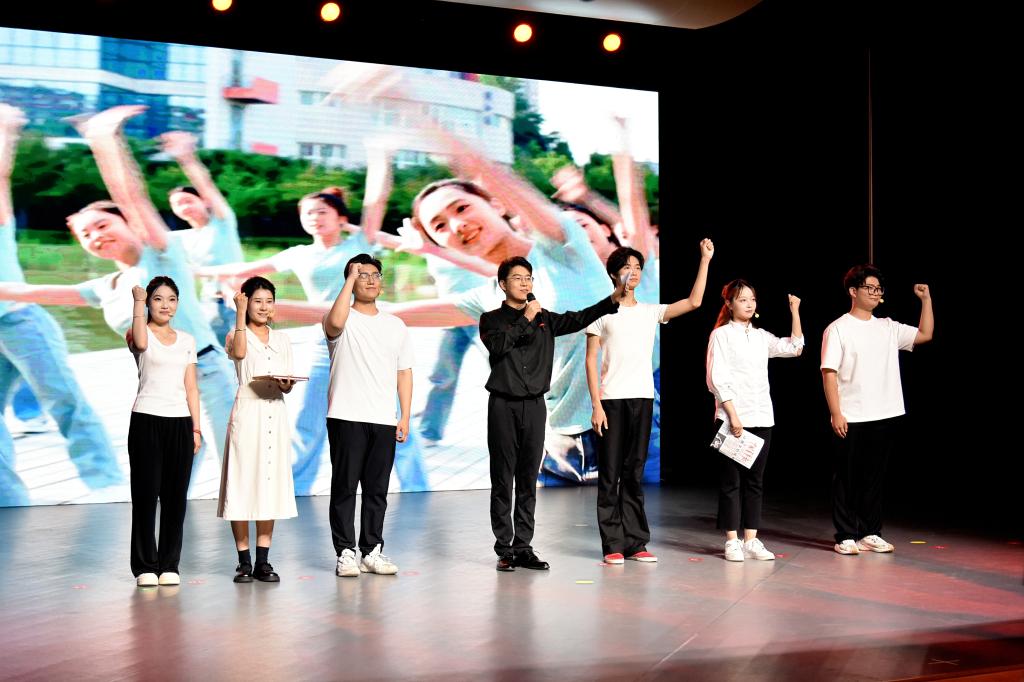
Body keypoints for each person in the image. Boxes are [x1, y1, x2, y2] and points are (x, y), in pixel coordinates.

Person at [0, 106, 237, 481]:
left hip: (205, 375)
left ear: (130, 225)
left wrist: (104, 141)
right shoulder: (104, 287)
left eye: (102, 225)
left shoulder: (161, 257)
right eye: (86, 235)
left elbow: (130, 197)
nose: (95, 236)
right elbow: (24, 291)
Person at [0, 103, 121, 506]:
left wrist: (7, 130)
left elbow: (1, 176)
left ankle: (107, 485)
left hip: (20, 322)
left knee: (64, 401)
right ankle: (8, 499)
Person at [481, 255, 627, 572]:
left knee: (527, 479)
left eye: (528, 278)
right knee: (503, 478)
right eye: (518, 278)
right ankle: (504, 549)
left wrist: (612, 300)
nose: (525, 283)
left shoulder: (545, 319)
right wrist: (527, 317)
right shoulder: (491, 319)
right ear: (503, 284)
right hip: (503, 405)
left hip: (535, 406)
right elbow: (499, 347)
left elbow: (579, 318)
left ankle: (523, 547)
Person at [586, 240, 713, 565]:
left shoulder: (648, 311)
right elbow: (590, 360)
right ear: (613, 274)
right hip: (611, 400)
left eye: (638, 267)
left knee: (634, 472)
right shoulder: (601, 313)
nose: (633, 272)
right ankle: (612, 544)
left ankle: (636, 542)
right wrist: (596, 404)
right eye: (626, 267)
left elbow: (694, 302)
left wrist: (704, 260)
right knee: (610, 474)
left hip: (642, 399)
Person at [821, 265, 933, 555]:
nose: (875, 293)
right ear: (853, 291)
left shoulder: (888, 327)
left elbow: (925, 334)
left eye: (878, 288)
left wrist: (926, 299)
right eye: (869, 288)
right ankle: (845, 535)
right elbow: (829, 372)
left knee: (873, 478)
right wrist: (836, 412)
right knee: (846, 478)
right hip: (851, 414)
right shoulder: (838, 328)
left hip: (884, 413)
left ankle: (870, 532)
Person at [325, 254, 412, 578]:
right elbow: (334, 323)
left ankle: (371, 551)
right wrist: (350, 278)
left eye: (375, 274)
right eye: (363, 275)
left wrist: (404, 416)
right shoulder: (341, 318)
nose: (371, 280)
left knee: (377, 490)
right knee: (345, 488)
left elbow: (404, 372)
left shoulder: (395, 325)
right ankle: (345, 552)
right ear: (351, 280)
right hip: (346, 416)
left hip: (383, 419)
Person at [705, 279, 802, 562]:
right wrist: (734, 416)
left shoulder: (761, 336)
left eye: (752, 299)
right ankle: (732, 541)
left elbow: (795, 347)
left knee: (755, 481)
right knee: (730, 482)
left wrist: (795, 311)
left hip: (762, 416)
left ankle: (751, 539)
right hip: (731, 419)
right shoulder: (721, 335)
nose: (749, 304)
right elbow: (716, 378)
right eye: (743, 299)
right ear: (729, 304)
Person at [217, 277, 298, 583]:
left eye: (269, 301)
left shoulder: (283, 340)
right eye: (257, 301)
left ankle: (263, 560)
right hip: (248, 411)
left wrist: (286, 384)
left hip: (275, 412)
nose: (264, 307)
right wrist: (239, 314)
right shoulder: (236, 334)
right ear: (246, 302)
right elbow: (239, 354)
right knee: (241, 483)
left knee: (269, 483)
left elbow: (288, 382)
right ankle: (243, 561)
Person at [126, 277, 201, 587]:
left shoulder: (187, 340)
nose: (165, 305)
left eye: (171, 299)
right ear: (148, 303)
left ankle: (170, 564)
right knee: (145, 496)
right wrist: (137, 302)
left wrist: (196, 428)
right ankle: (145, 565)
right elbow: (141, 344)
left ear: (178, 304)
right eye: (157, 299)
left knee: (175, 498)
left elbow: (191, 387)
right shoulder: (138, 331)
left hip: (180, 422)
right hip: (146, 419)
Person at [161, 131, 244, 344]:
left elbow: (206, 185)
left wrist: (186, 157)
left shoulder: (222, 223)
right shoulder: (181, 237)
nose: (183, 207)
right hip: (209, 302)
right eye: (177, 204)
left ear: (204, 201)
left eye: (188, 201)